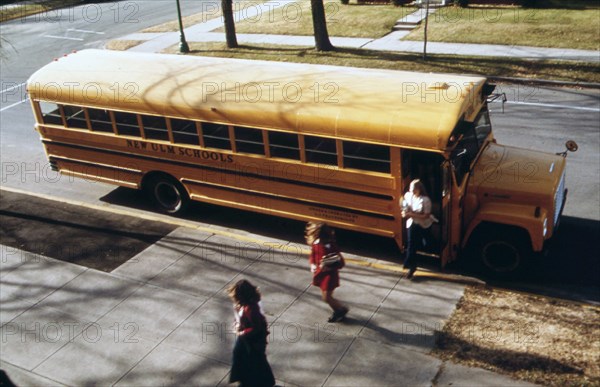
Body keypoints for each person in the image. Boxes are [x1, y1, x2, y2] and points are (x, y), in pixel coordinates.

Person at [228, 279, 275, 387]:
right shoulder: (244, 304)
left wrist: (242, 332)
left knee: (252, 361)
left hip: (252, 341)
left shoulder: (251, 308)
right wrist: (236, 324)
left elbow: (257, 327)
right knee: (248, 361)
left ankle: (251, 382)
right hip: (247, 339)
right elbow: (240, 318)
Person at [305, 222, 349, 323]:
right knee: (327, 296)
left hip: (329, 276)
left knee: (326, 297)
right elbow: (313, 255)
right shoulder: (316, 244)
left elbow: (340, 263)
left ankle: (340, 310)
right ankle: (339, 310)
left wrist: (328, 266)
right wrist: (313, 264)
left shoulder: (331, 247)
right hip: (321, 274)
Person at [401, 179, 434, 280]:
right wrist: (404, 211)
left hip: (423, 224)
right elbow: (402, 202)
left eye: (414, 190)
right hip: (412, 223)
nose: (412, 192)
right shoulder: (408, 195)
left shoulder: (425, 200)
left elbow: (426, 216)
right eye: (410, 190)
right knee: (411, 244)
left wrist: (410, 214)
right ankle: (411, 266)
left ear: (419, 189)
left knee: (426, 244)